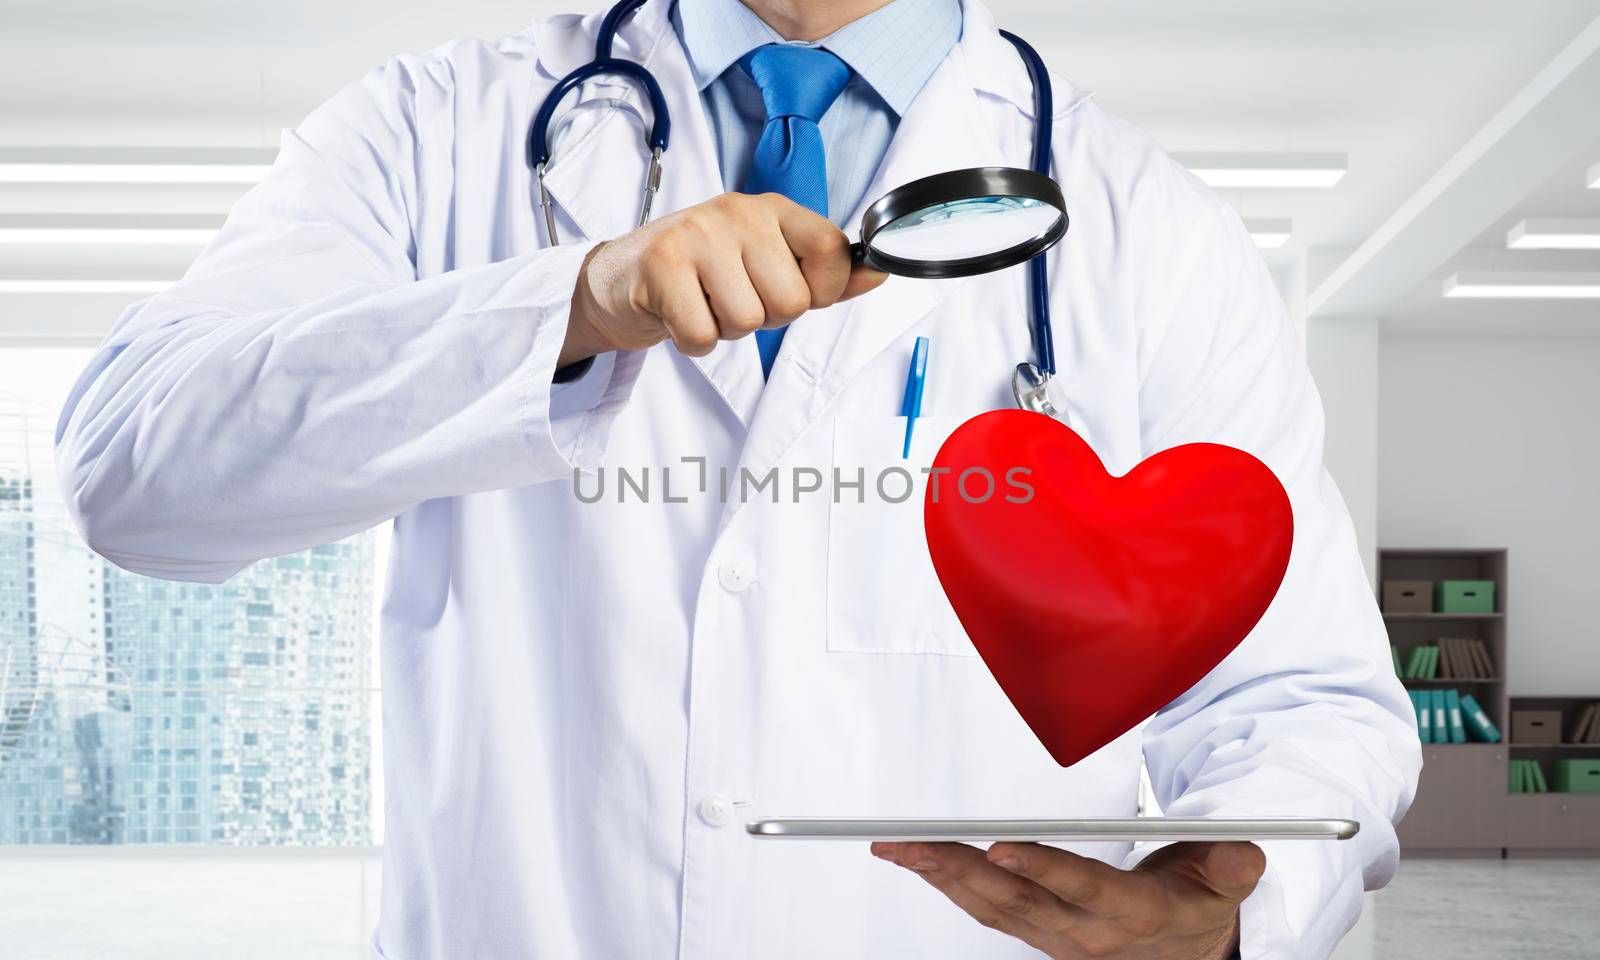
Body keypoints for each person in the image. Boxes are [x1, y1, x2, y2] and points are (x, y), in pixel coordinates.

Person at [53, 0, 1422, 956]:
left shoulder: (1147, 226)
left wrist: (1233, 909)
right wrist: (568, 306)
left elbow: (1304, 698)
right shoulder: (430, 135)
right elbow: (131, 466)